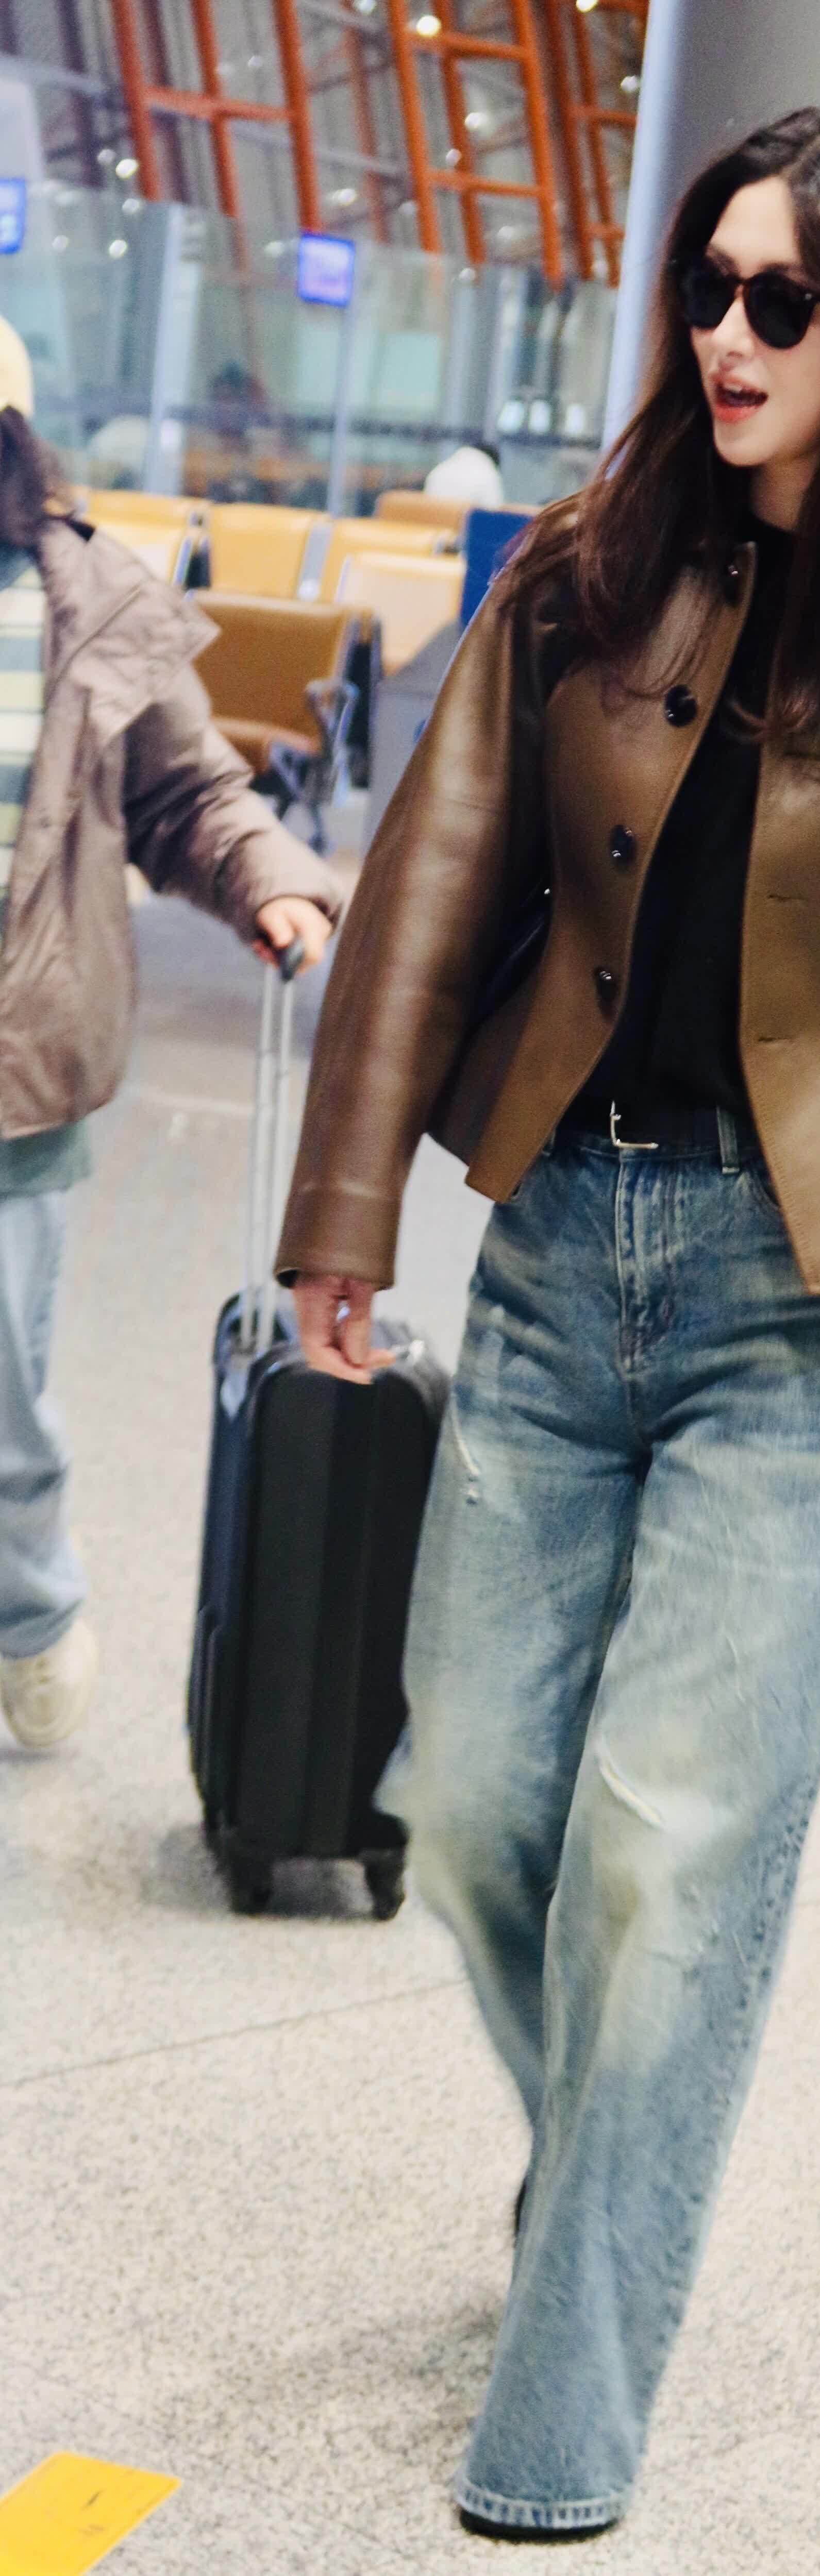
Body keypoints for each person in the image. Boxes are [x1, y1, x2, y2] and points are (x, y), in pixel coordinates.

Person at [277, 102, 820, 2540]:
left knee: (670, 1865)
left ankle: (556, 2426)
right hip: (558, 1263)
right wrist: (346, 1216)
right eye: (707, 286)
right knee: (469, 1806)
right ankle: (606, 2178)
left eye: (782, 298)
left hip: (808, 1320)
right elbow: (435, 885)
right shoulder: (588, 572)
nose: (724, 336)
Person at [0, 318, 341, 1755]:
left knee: (2, 1405)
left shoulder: (87, 600)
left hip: (19, 1075)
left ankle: (28, 1610)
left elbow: (188, 793)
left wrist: (269, 879)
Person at [424, 440, 506, 509]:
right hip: (467, 522)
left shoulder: (441, 469)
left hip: (432, 522)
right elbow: (494, 510)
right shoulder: (488, 474)